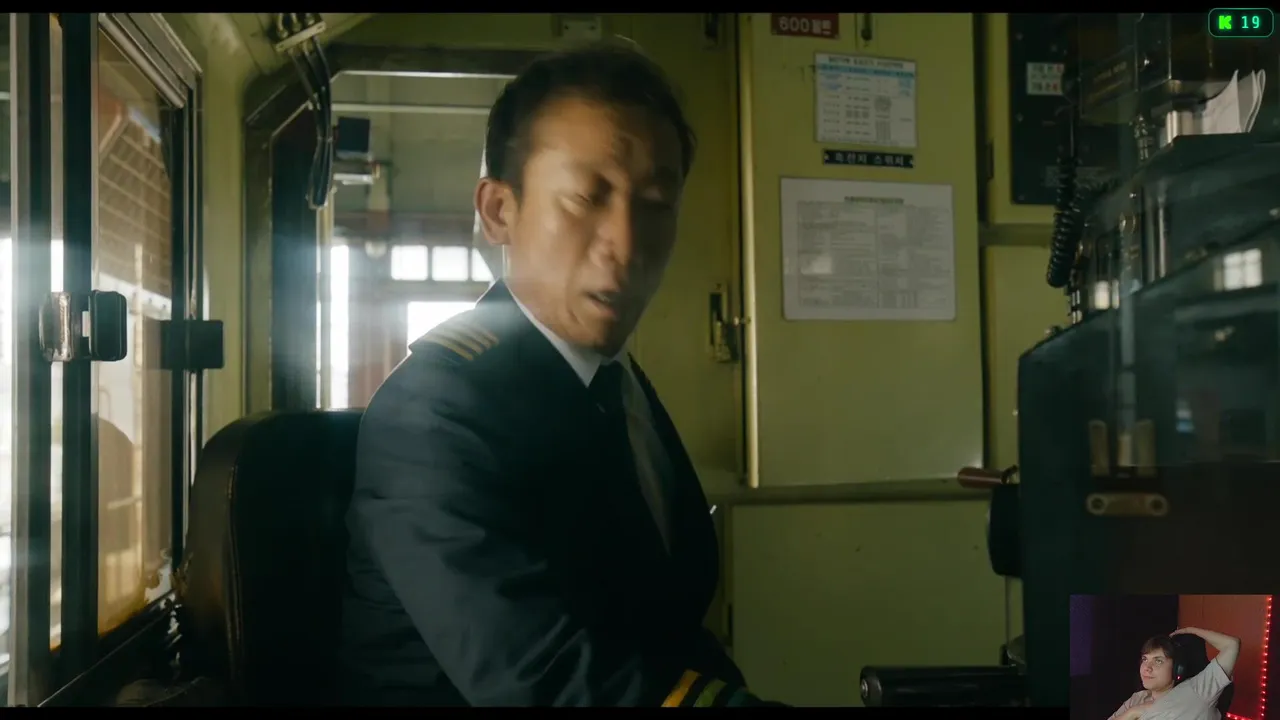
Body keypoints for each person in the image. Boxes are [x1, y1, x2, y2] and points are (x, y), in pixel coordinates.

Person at [340, 41, 778, 707]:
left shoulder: (616, 384)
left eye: (656, 203)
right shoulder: (433, 415)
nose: (626, 244)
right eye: (585, 198)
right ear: (499, 211)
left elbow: (668, 628)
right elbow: (544, 681)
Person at [1107, 627, 1240, 720]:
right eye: (1145, 659)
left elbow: (1232, 645)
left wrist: (1190, 631)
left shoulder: (1197, 690)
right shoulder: (1138, 699)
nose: (1147, 667)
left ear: (1178, 668)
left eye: (1158, 661)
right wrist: (1133, 712)